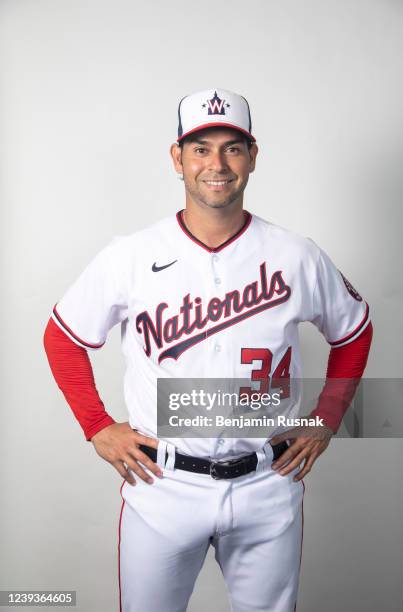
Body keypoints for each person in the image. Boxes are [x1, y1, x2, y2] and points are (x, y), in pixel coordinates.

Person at [44, 88, 373, 612]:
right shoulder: (129, 255)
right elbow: (62, 338)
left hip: (268, 480)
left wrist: (326, 417)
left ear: (253, 157)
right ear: (177, 158)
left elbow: (354, 332)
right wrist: (96, 425)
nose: (216, 164)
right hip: (162, 482)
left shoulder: (296, 254)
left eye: (232, 148)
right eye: (200, 148)